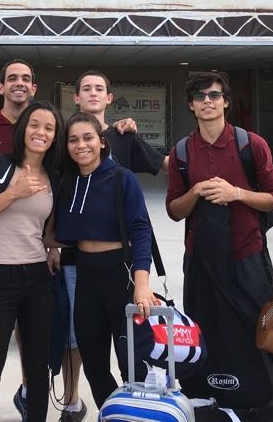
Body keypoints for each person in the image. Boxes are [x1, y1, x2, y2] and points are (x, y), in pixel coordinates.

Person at [165, 72, 273, 421]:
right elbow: (174, 211)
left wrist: (236, 193)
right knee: (204, 331)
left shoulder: (250, 144)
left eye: (214, 95)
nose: (207, 101)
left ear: (225, 101)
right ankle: (209, 399)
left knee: (265, 332)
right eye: (199, 96)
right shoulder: (181, 151)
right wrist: (195, 192)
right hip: (201, 260)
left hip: (247, 257)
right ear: (191, 105)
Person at [52, 71, 165, 422]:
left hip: (122, 275)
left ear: (102, 141)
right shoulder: (68, 183)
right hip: (84, 276)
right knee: (94, 363)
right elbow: (57, 230)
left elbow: (141, 230)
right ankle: (112, 413)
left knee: (132, 360)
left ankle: (137, 413)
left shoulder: (120, 178)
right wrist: (47, 246)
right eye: (73, 140)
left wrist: (143, 284)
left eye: (88, 138)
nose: (81, 145)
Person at [0, 101, 63, 422]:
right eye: (35, 125)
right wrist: (11, 193)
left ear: (54, 137)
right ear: (23, 129)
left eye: (49, 128)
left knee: (37, 372)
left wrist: (55, 249)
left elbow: (46, 232)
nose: (41, 132)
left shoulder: (54, 177)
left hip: (37, 279)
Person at [0, 59, 37, 418]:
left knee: (30, 334)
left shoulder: (43, 126)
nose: (19, 83)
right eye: (12, 78)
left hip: (31, 243)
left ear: (33, 88)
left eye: (26, 79)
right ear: (1, 87)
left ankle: (30, 394)